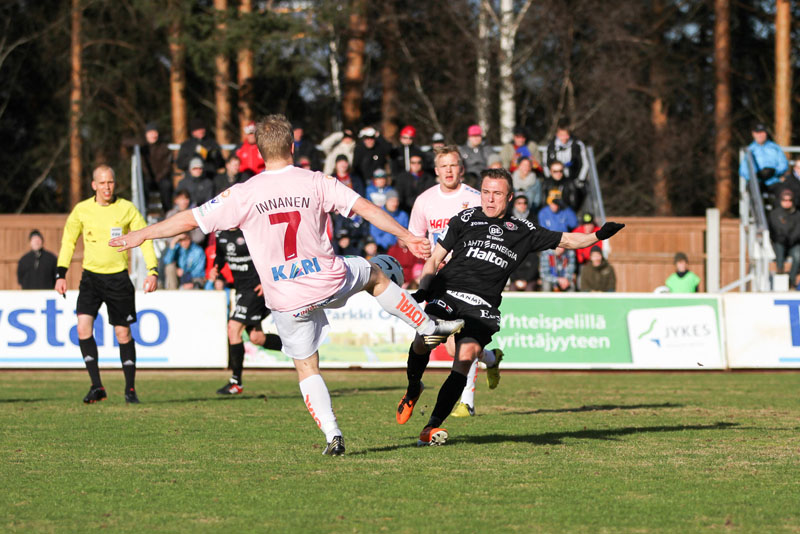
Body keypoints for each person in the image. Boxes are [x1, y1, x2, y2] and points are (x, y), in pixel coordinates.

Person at [110, 114, 464, 456]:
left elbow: (190, 219)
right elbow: (366, 208)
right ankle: (425, 325)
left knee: (307, 367)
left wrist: (140, 235)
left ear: (260, 151)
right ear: (293, 145)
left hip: (285, 295)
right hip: (328, 277)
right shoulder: (315, 181)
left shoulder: (243, 193)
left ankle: (333, 433)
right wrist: (405, 236)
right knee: (374, 275)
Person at [396, 168, 625, 446]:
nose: (490, 199)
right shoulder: (465, 218)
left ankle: (431, 427)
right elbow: (434, 260)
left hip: (482, 306)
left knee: (466, 357)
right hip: (448, 293)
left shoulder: (524, 230)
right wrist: (425, 287)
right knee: (424, 340)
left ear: (510, 197)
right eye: (485, 192)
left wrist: (599, 235)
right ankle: (412, 390)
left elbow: (567, 240)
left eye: (497, 194)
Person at [56, 165, 159, 404]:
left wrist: (152, 270)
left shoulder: (126, 209)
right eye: (102, 183)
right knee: (83, 328)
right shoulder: (82, 210)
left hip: (118, 279)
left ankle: (130, 390)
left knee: (122, 333)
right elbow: (68, 241)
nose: (107, 187)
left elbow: (145, 238)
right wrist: (60, 274)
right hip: (91, 278)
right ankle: (96, 386)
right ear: (93, 185)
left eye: (110, 182)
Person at [407, 145, 486, 419]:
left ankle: (467, 401)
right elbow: (415, 238)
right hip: (438, 278)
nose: (449, 170)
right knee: (432, 338)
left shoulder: (475, 199)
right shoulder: (424, 200)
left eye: (454, 165)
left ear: (461, 169)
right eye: (444, 166)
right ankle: (490, 358)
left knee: (460, 341)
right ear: (436, 170)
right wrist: (424, 253)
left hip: (469, 277)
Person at [208, 228, 283, 394]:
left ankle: (236, 382)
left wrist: (267, 280)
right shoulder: (221, 234)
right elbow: (220, 256)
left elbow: (271, 256)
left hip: (256, 289)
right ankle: (299, 347)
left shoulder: (251, 230)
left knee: (233, 328)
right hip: (241, 290)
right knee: (257, 338)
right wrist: (216, 268)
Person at [738, 123, 789, 193]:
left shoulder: (775, 148)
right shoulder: (750, 150)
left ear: (766, 133)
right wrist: (756, 175)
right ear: (753, 134)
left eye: (762, 132)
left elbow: (784, 164)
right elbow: (743, 170)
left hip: (773, 181)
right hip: (757, 181)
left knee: (785, 192)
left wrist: (774, 172)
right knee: (754, 189)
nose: (760, 135)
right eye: (758, 133)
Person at [768, 188, 800, 287]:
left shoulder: (798, 215)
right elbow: (775, 231)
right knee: (779, 250)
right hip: (780, 243)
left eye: (789, 200)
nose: (787, 202)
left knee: (798, 256)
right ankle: (780, 275)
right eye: (784, 200)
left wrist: (791, 238)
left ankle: (791, 280)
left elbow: (798, 231)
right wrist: (783, 238)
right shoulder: (775, 214)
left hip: (793, 244)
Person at [141, 122, 174, 211]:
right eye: (150, 133)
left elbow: (168, 166)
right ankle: (144, 209)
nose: (153, 135)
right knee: (143, 185)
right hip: (148, 179)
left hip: (161, 178)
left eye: (154, 132)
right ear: (146, 135)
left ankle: (167, 212)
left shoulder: (164, 147)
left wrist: (159, 177)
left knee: (166, 185)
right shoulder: (142, 148)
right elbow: (126, 142)